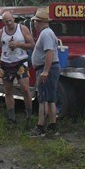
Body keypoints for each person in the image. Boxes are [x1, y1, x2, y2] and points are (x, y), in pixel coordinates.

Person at [0, 10, 35, 124]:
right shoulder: (0, 33)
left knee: (25, 89)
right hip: (6, 63)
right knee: (8, 90)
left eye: (10, 20)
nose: (9, 23)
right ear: (3, 22)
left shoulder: (23, 29)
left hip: (21, 62)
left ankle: (29, 116)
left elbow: (32, 44)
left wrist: (18, 44)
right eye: (6, 22)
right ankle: (11, 118)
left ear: (14, 19)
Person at [30, 8, 60, 137]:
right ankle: (52, 126)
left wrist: (46, 71)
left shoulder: (46, 34)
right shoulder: (48, 33)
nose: (34, 24)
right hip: (49, 68)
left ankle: (40, 126)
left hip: (46, 68)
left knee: (43, 99)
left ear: (39, 21)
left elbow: (49, 52)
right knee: (50, 98)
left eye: (35, 21)